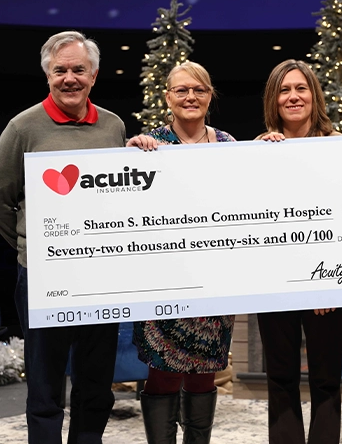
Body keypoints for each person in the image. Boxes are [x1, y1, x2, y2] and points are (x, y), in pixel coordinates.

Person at [0, 30, 126, 444]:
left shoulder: (114, 126)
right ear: (47, 74)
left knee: (97, 380)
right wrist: (33, 247)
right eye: (60, 70)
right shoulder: (23, 127)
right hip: (45, 278)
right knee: (45, 384)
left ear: (94, 75)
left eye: (78, 69)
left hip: (102, 277)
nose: (69, 78)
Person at [126, 61, 235, 444]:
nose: (191, 97)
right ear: (168, 97)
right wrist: (130, 155)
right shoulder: (147, 147)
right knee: (164, 372)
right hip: (163, 282)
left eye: (199, 90)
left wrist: (268, 148)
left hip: (214, 282)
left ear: (210, 95)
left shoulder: (229, 145)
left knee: (205, 372)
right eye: (182, 90)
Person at [255, 59, 342, 444]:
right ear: (273, 99)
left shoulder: (341, 146)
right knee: (280, 377)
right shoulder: (258, 150)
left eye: (301, 88)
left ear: (315, 95)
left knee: (326, 379)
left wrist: (329, 282)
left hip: (329, 282)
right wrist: (255, 156)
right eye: (284, 90)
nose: (293, 97)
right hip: (275, 281)